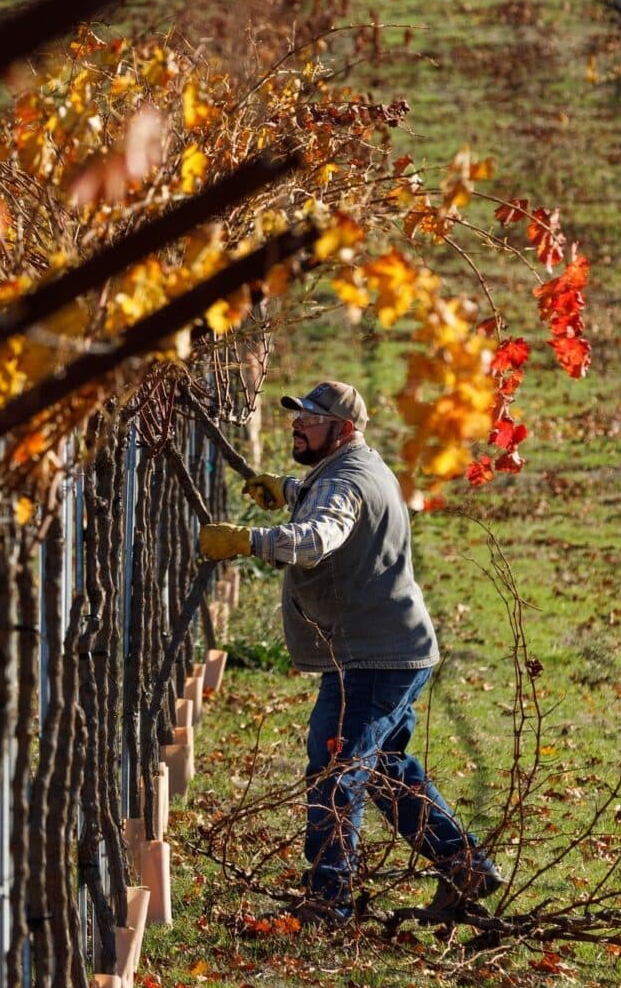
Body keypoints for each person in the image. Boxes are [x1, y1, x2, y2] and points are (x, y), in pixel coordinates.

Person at [198, 379, 500, 926]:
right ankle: (466, 866)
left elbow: (316, 539)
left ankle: (327, 901)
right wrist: (288, 489)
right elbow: (332, 497)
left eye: (310, 419)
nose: (297, 424)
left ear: (344, 429)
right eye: (297, 416)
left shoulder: (347, 481)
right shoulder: (356, 467)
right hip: (395, 650)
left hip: (371, 659)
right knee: (383, 770)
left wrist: (249, 541)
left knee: (336, 770)